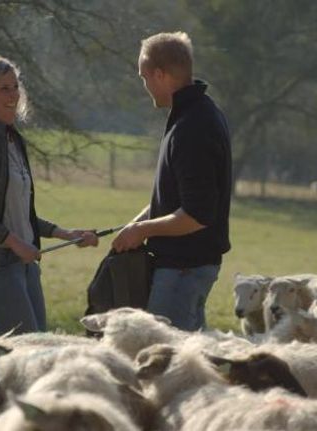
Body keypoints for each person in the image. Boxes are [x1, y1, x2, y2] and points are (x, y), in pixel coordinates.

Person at [0, 55, 98, 335]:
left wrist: (65, 234)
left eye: (15, 86)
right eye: (3, 89)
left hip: (22, 266)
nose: (13, 95)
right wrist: (14, 243)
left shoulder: (11, 139)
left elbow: (16, 215)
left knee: (37, 346)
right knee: (29, 352)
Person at [111, 32, 232, 331]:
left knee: (167, 360)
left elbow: (197, 215)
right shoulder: (194, 114)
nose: (145, 86)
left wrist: (142, 230)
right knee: (187, 357)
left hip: (184, 270)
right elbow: (173, 199)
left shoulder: (192, 128)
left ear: (160, 75)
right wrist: (134, 226)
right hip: (185, 267)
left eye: (144, 77)